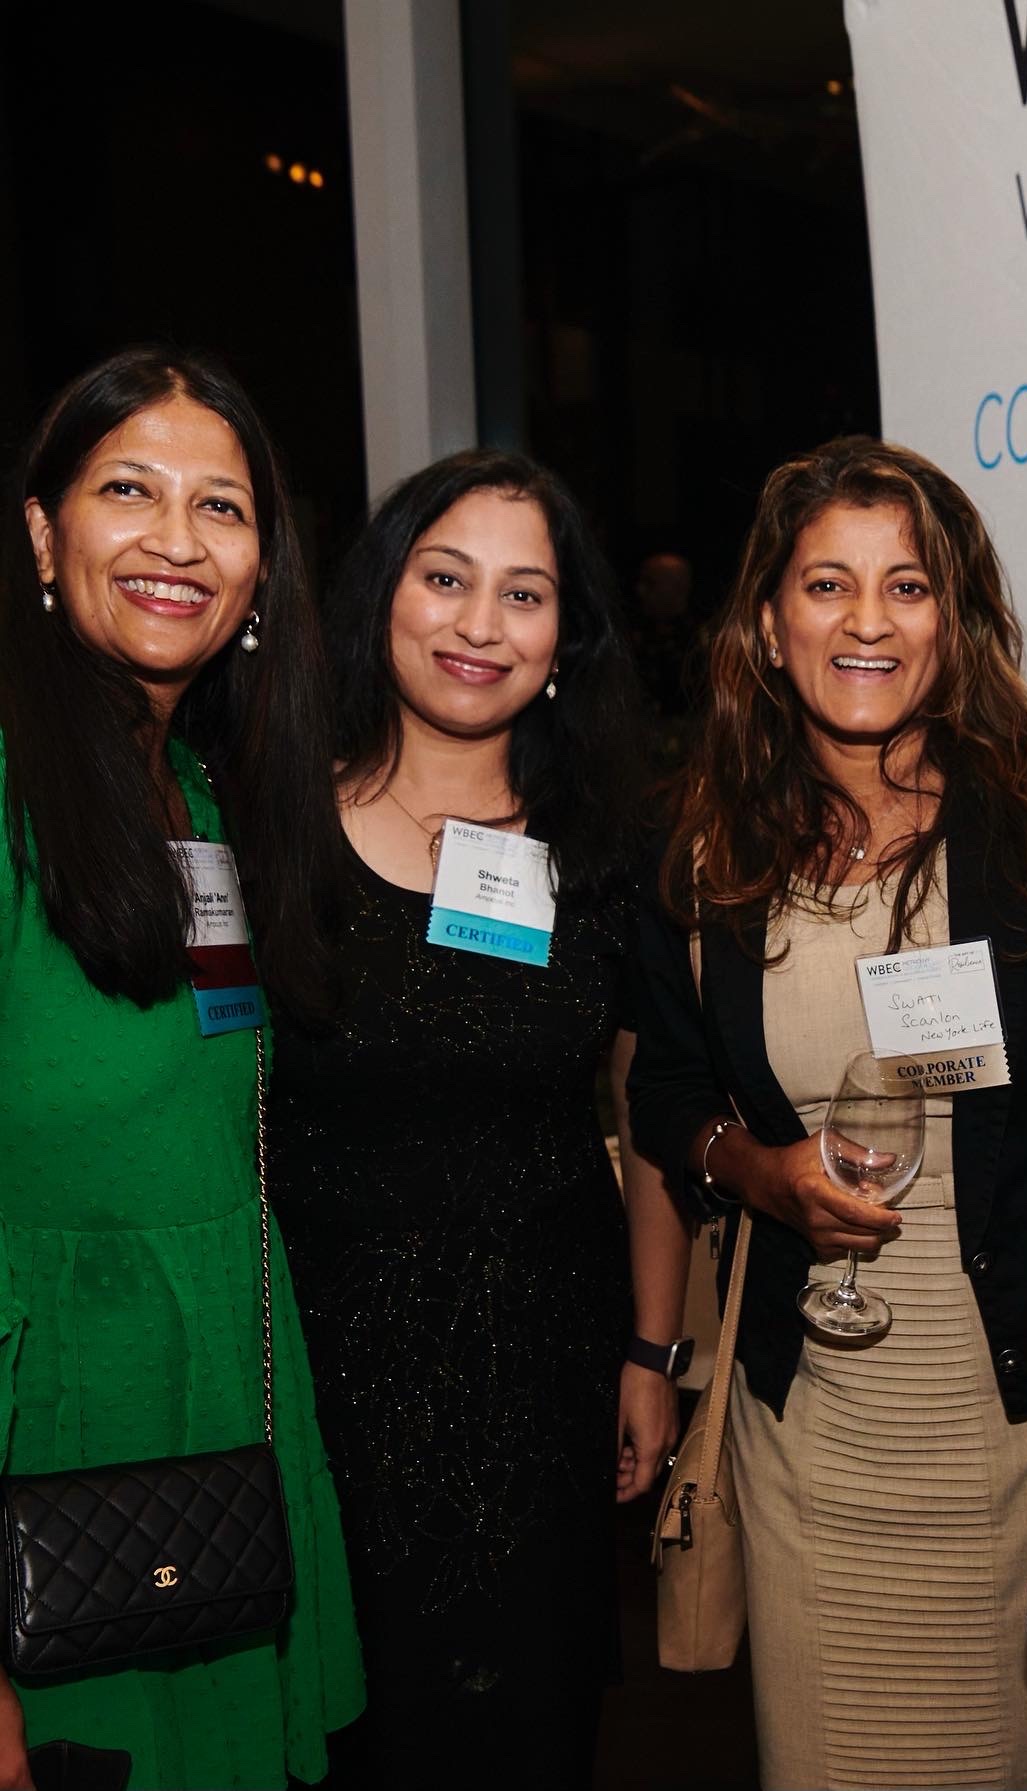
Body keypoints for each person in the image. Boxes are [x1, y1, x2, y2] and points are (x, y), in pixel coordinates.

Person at [628, 436, 1027, 1790]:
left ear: (954, 618)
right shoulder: (707, 853)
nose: (865, 622)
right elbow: (667, 1087)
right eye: (826, 585)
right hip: (819, 1441)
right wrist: (750, 1167)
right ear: (767, 623)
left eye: (905, 587)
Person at [266, 449, 690, 1789]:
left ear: (565, 639)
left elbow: (652, 1106)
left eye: (524, 594)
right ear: (383, 594)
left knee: (529, 1732)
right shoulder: (270, 825)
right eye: (445, 579)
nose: (477, 625)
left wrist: (649, 1350)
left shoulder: (608, 848)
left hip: (544, 1382)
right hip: (330, 1378)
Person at [0, 346, 364, 1789]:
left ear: (264, 564)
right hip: (58, 1438)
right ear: (43, 532)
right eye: (129, 491)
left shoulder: (205, 795)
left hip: (218, 1417)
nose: (176, 540)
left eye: (221, 508)